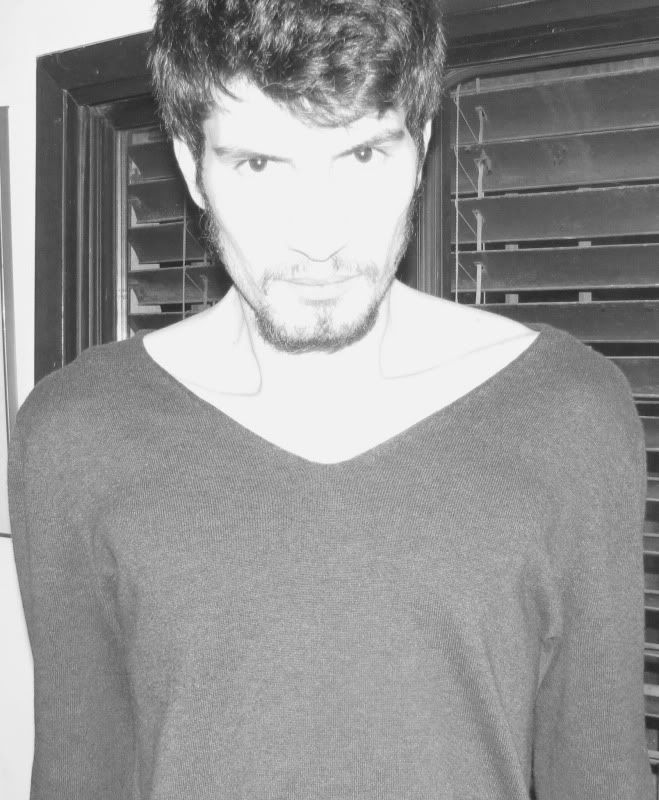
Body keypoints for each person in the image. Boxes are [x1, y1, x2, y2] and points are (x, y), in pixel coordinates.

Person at [9, 1, 652, 798]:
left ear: (420, 147)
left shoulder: (567, 413)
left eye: (361, 155)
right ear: (190, 165)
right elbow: (78, 776)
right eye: (258, 164)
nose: (318, 237)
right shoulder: (75, 432)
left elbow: (601, 777)